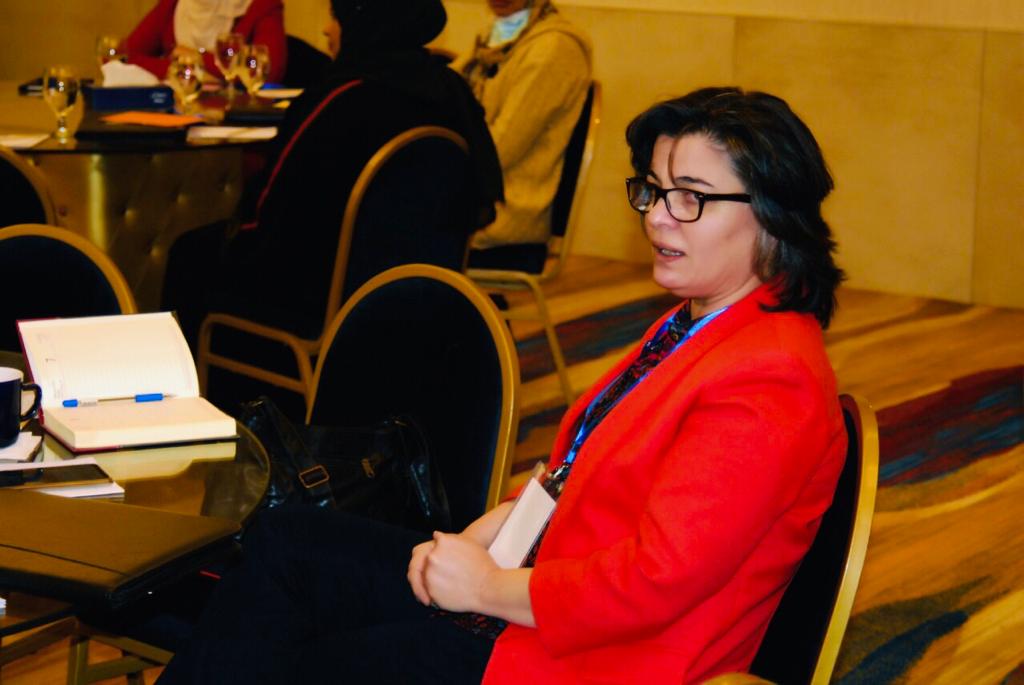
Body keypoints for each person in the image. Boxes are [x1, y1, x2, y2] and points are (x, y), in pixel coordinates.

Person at [156, 86, 847, 684]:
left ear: (772, 214)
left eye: (690, 197)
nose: (658, 215)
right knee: (287, 542)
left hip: (596, 657)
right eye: (654, 190)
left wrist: (487, 586)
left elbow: (654, 582)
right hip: (541, 598)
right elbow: (583, 469)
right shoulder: (701, 321)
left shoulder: (770, 378)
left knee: (311, 657)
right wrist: (493, 531)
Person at [160, 0, 503, 355]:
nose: (326, 30)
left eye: (335, 18)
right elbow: (479, 197)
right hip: (423, 297)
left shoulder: (340, 99)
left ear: (362, 25)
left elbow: (269, 212)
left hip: (322, 301)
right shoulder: (452, 93)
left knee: (191, 253)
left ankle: (193, 383)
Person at [460, 0, 592, 266]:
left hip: (504, 216)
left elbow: (497, 152)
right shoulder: (497, 36)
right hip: (478, 197)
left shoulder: (553, 47)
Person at [121, 0, 287, 83]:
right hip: (176, 117)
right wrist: (175, 68)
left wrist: (197, 60)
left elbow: (267, 70)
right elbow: (122, 58)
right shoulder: (174, 5)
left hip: (237, 122)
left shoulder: (262, 5)